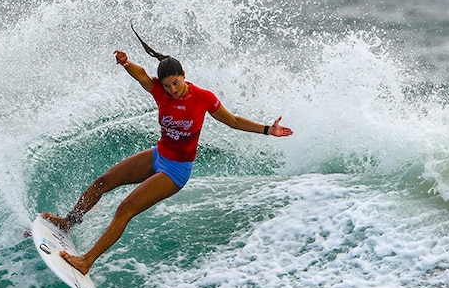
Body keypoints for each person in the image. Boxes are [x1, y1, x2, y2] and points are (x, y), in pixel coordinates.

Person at [42, 25, 293, 275]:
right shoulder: (161, 93)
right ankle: (68, 222)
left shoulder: (203, 98)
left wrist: (268, 129)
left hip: (176, 170)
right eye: (167, 86)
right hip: (159, 155)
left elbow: (234, 121)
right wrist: (126, 63)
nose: (173, 90)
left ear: (184, 75)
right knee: (101, 183)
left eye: (176, 83)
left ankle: (86, 262)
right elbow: (142, 76)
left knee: (125, 209)